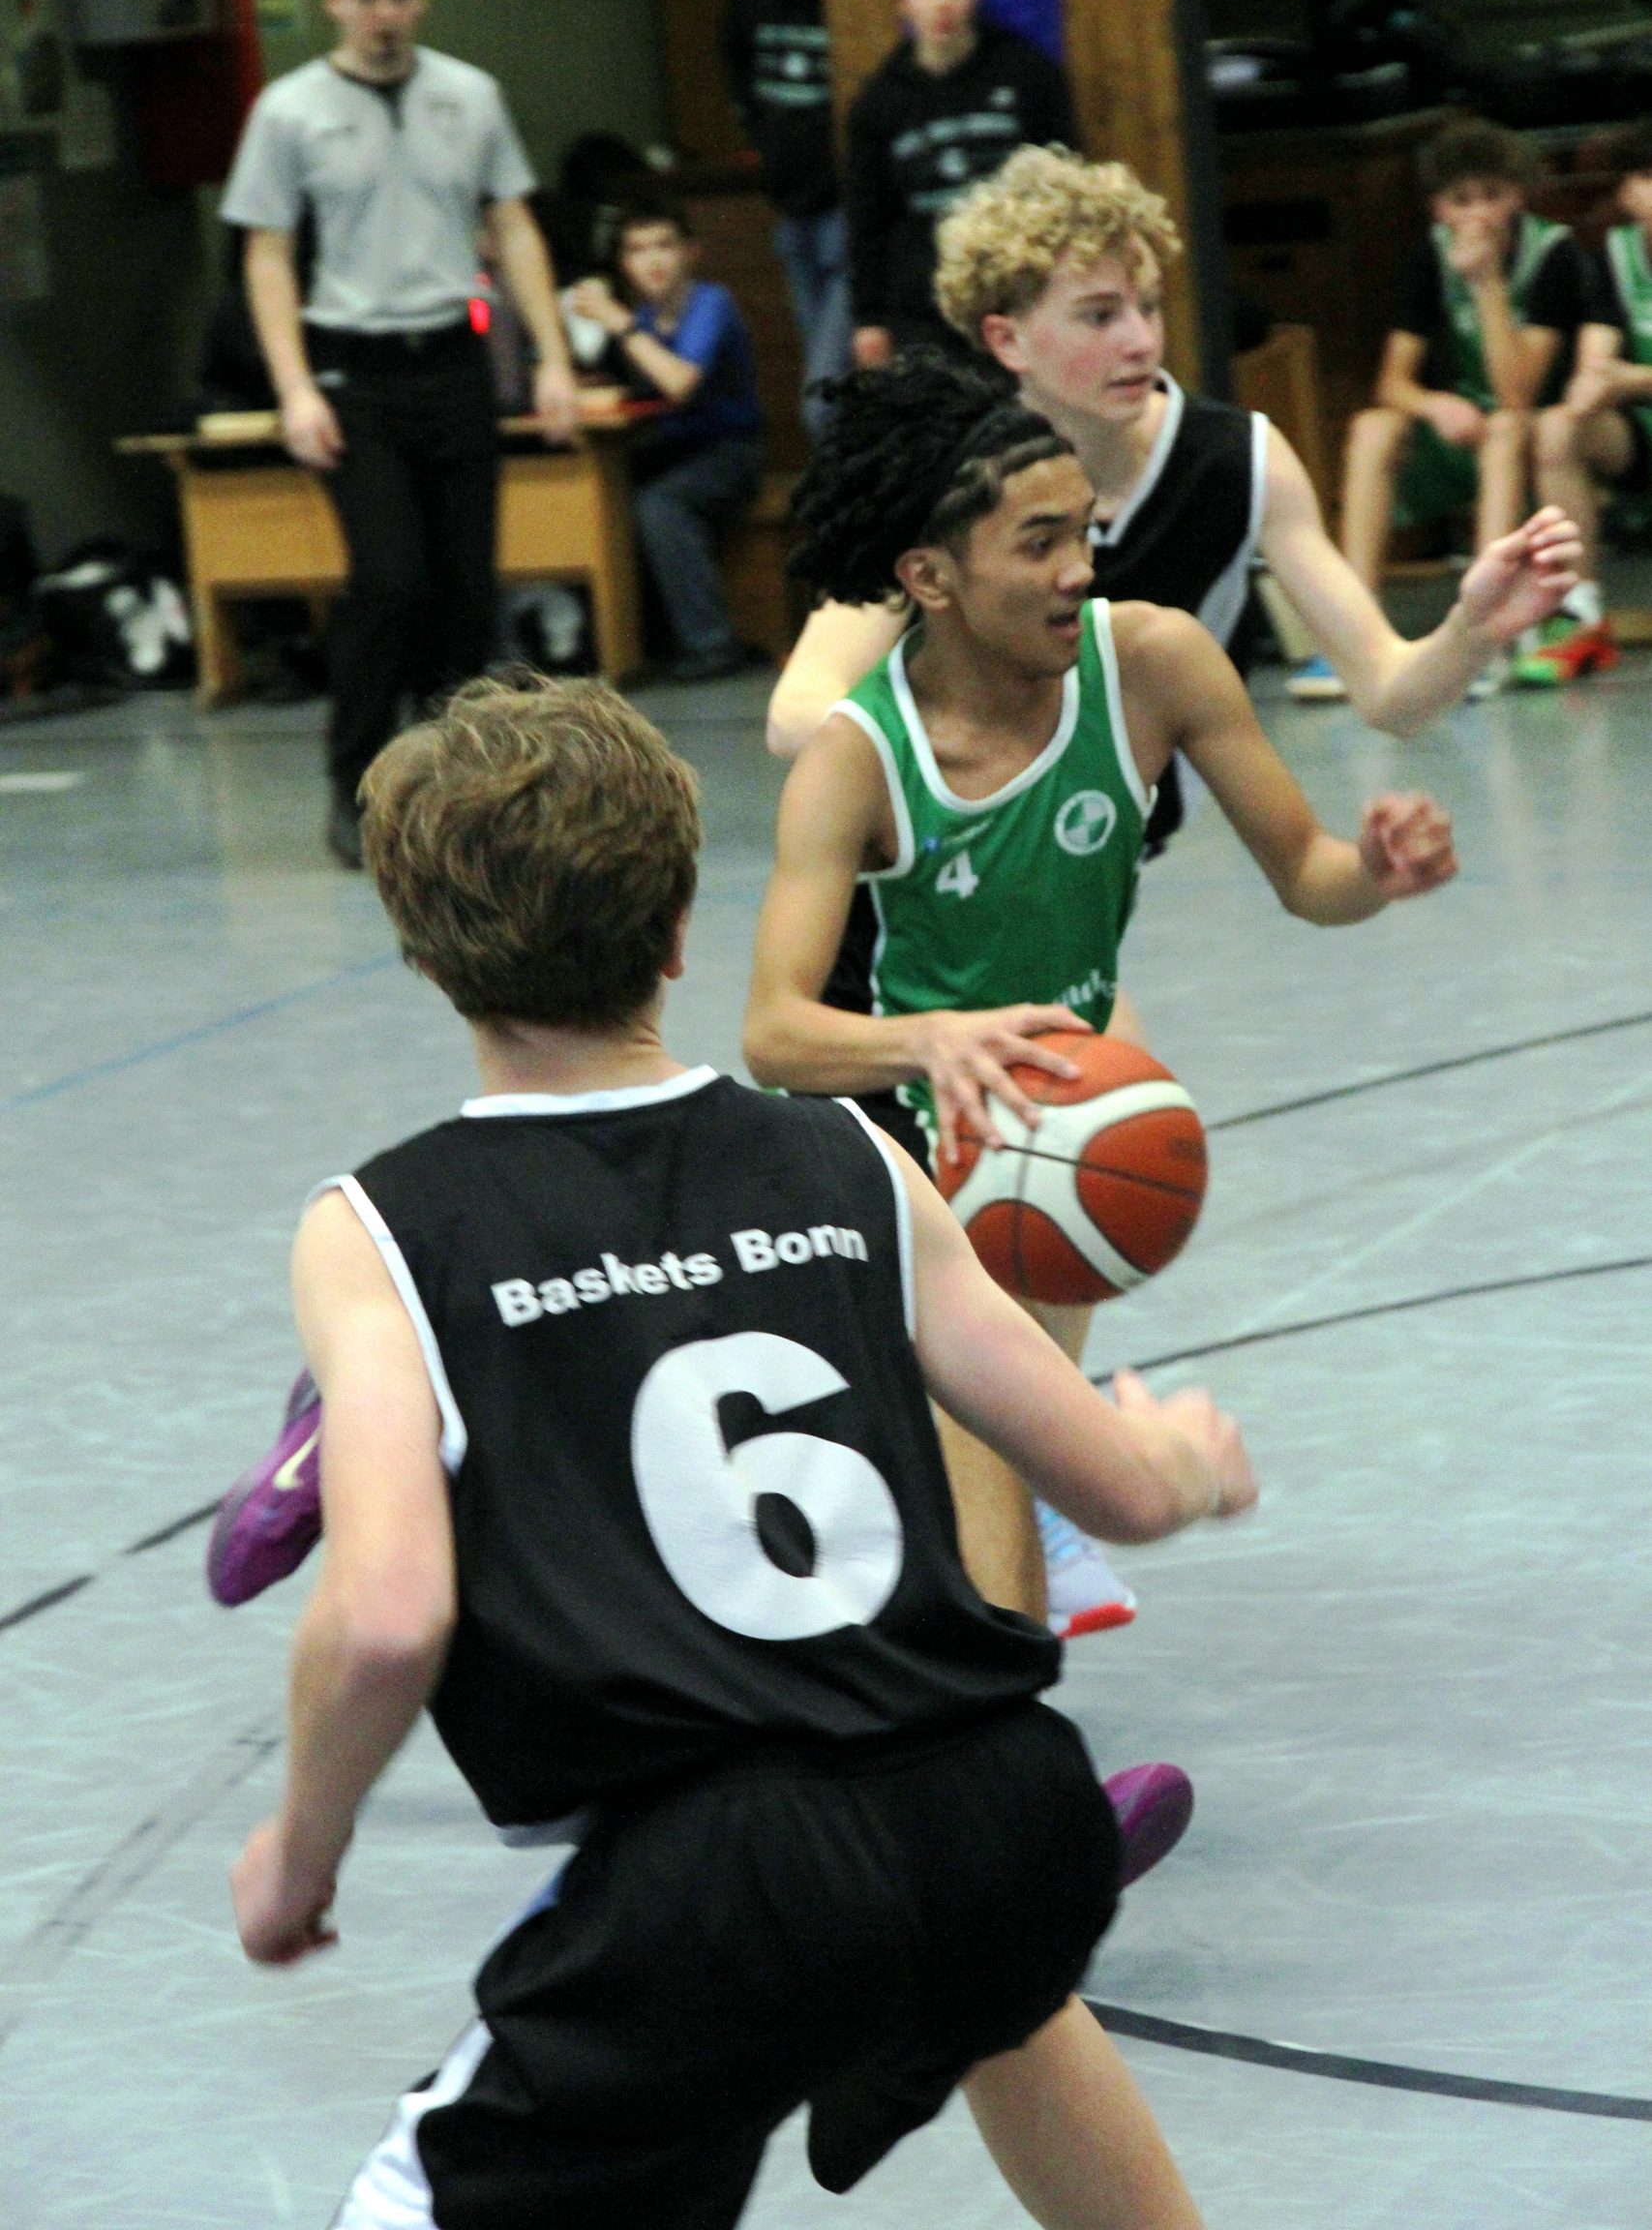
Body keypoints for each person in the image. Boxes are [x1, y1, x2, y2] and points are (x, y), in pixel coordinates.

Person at [228, 668, 1256, 2230]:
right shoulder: (850, 1154)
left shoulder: (381, 1227)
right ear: (676, 927)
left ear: (423, 954)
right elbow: (1112, 1486)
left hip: (727, 1878)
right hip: (1006, 1812)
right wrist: (1184, 1457)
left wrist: (298, 1857)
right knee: (990, 2000)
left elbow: (382, 1619)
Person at [741, 353, 1457, 1663]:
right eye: (1038, 542)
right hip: (876, 1141)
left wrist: (1377, 870)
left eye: (1085, 531)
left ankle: (1001, 1679)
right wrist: (933, 1040)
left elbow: (1308, 876)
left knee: (991, 1463)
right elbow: (774, 1033)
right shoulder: (858, 758)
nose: (1080, 567)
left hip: (1030, 1120)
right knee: (938, 1472)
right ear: (928, 577)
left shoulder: (1152, 663)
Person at [770, 146, 1583, 763]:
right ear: (1006, 339)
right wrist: (971, 771)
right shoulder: (934, 473)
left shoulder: (1240, 460)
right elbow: (798, 711)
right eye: (1098, 316)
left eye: (1148, 306)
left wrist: (1470, 629)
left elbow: (1386, 693)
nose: (1138, 340)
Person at [220, 0, 580, 868]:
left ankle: (458, 795)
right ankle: (354, 781)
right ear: (334, 0)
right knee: (388, 580)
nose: (384, 14)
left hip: (453, 361)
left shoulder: (471, 95)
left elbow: (515, 228)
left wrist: (551, 357)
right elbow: (265, 255)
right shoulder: (288, 111)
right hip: (352, 369)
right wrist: (294, 388)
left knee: (466, 592)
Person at [1339, 114, 1609, 692]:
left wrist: (1486, 282)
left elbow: (1517, 393)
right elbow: (1392, 383)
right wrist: (1433, 405)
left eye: (1492, 195)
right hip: (1465, 433)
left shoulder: (1553, 254)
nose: (1477, 214)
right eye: (1461, 201)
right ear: (1439, 209)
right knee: (1372, 427)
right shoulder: (1429, 257)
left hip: (1534, 440)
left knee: (1507, 426)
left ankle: (1483, 634)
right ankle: (1352, 632)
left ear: (1518, 196)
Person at [846, 0, 1078, 368]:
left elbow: (1065, 179)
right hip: (926, 304)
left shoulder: (1027, 73)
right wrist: (870, 318)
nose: (942, 3)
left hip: (1018, 288)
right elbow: (869, 219)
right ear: (903, 3)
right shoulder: (879, 103)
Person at [569, 200, 764, 681]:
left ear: (690, 252)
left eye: (664, 246)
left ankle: (712, 644)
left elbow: (679, 383)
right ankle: (620, 649)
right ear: (623, 264)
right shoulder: (644, 316)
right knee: (599, 496)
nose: (652, 260)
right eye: (637, 250)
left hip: (730, 450)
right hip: (668, 450)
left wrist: (621, 325)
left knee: (660, 505)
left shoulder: (710, 303)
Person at [719, 0, 850, 438]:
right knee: (835, 395)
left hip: (848, 216)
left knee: (825, 400)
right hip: (791, 213)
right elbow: (739, 85)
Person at [1529, 116, 1652, 679]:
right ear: (1626, 194)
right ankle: (1580, 616)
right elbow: (1595, 364)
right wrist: (1589, 389)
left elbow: (1621, 377)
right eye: (1647, 178)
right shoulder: (1614, 256)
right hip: (1641, 436)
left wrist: (1630, 380)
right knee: (1557, 426)